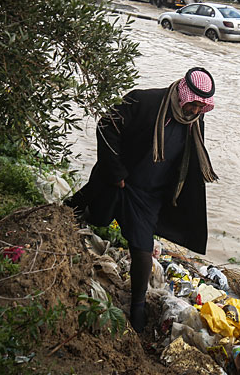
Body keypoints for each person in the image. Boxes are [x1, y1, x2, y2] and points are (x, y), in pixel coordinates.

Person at [65, 67, 218, 333]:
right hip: (119, 179)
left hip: (149, 195)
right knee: (90, 209)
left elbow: (188, 161)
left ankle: (137, 308)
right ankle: (59, 224)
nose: (194, 111)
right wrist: (116, 173)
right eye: (192, 104)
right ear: (182, 94)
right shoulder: (144, 101)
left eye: (200, 108)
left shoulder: (194, 122)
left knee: (142, 248)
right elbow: (106, 125)